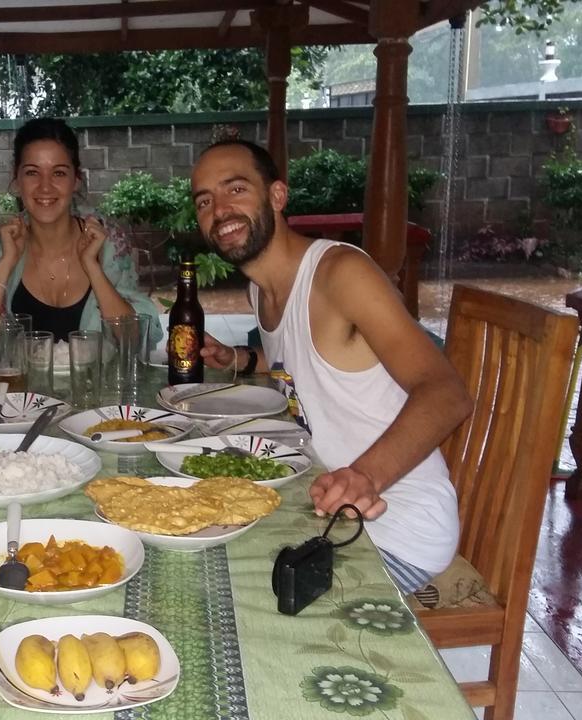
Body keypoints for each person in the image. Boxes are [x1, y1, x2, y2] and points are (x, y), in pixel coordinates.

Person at [189, 139, 472, 594]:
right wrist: (241, 359)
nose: (219, 210)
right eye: (205, 201)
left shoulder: (340, 273)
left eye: (235, 189)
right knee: (195, 545)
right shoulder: (262, 290)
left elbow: (447, 392)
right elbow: (309, 363)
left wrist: (365, 477)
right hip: (324, 508)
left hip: (394, 529)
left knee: (236, 594)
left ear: (277, 196)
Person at [0, 118, 160, 356]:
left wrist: (93, 268)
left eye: (59, 173)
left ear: (76, 180)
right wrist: (5, 264)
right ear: (16, 181)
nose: (45, 187)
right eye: (32, 172)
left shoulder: (108, 243)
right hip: (15, 391)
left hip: (94, 390)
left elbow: (133, 339)